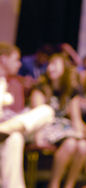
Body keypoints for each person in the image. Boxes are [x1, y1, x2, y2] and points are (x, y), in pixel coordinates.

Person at [30, 54, 86, 188]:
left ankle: (69, 185)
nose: (50, 68)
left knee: (83, 146)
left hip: (63, 129)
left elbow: (76, 119)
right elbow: (36, 116)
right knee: (70, 143)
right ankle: (54, 184)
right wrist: (38, 137)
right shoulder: (41, 88)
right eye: (50, 64)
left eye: (55, 65)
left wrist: (81, 134)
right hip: (46, 127)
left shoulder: (71, 92)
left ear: (64, 69)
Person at [0, 42, 54, 188]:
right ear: (3, 59)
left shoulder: (16, 84)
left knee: (46, 111)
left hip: (8, 125)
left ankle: (6, 129)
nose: (19, 64)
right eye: (15, 59)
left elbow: (18, 111)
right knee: (15, 138)